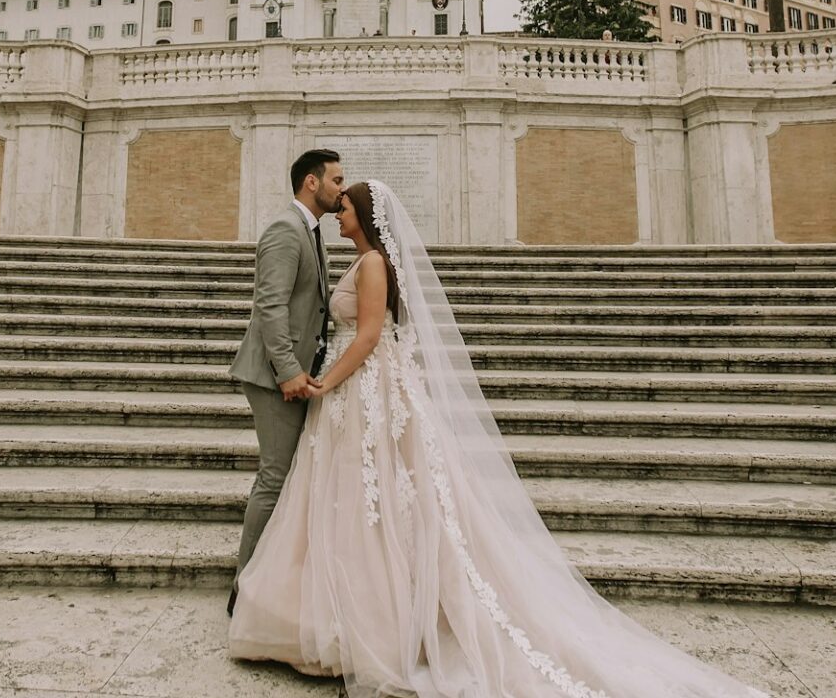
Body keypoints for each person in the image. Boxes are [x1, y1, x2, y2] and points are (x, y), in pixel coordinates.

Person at [230, 180, 769, 698]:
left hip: (364, 389)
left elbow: (369, 335)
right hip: (361, 396)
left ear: (365, 216)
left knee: (376, 503)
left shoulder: (372, 263)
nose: (338, 212)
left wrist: (327, 380)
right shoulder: (363, 259)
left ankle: (369, 619)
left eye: (345, 205)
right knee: (361, 503)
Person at [226, 147, 347, 617]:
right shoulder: (285, 229)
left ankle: (271, 581)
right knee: (274, 479)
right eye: (336, 179)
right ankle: (245, 588)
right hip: (275, 376)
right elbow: (269, 306)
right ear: (311, 183)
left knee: (286, 478)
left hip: (298, 372)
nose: (341, 187)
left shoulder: (310, 231)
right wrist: (289, 371)